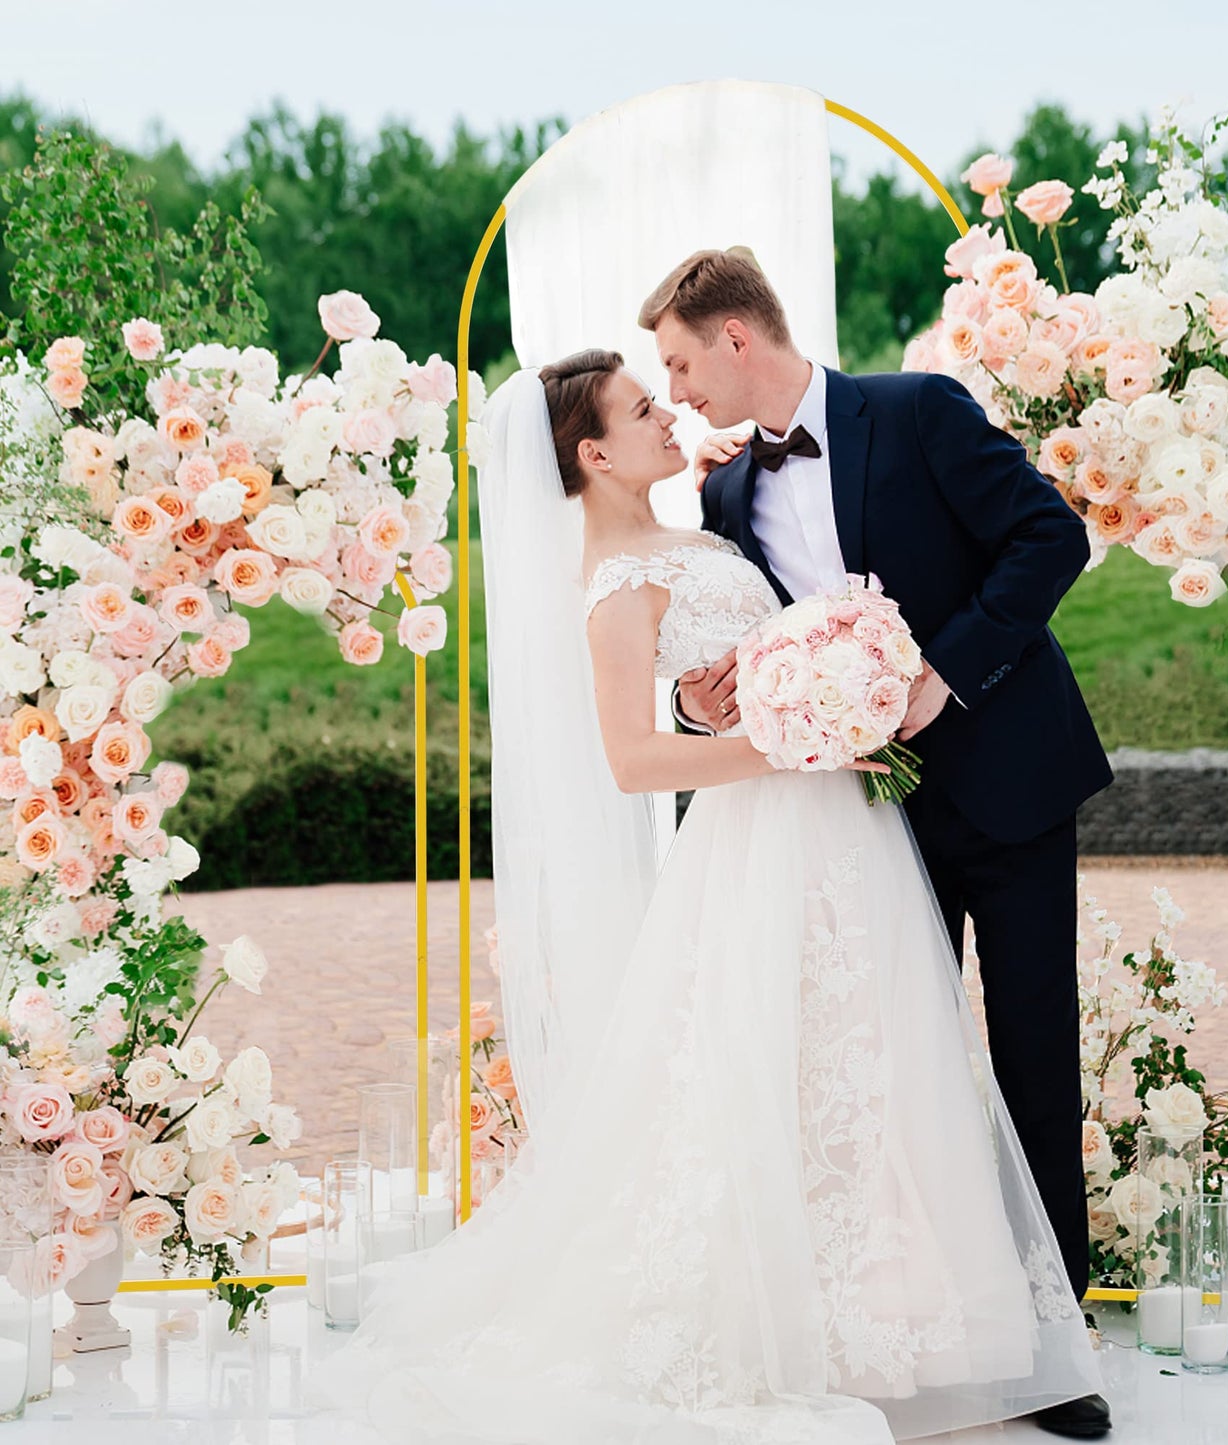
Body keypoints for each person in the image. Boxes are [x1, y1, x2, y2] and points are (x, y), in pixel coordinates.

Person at [309, 347, 1106, 1443]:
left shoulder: (708, 522)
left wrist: (787, 700)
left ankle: (911, 1318)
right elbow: (634, 760)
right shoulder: (613, 583)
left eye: (668, 385)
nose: (670, 411)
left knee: (873, 1064)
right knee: (764, 1070)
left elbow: (745, 662)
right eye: (643, 406)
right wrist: (788, 740)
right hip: (762, 834)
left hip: (846, 829)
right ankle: (783, 1322)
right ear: (594, 454)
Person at [652, 247, 1115, 1438]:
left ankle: (1057, 1349)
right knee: (899, 1076)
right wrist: (699, 706)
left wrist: (941, 674)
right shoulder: (723, 498)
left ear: (736, 337)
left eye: (681, 363)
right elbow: (741, 659)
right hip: (865, 821)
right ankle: (924, 1326)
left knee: (1031, 1052)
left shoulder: (914, 411)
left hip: (1008, 784)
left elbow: (1047, 538)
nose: (677, 390)